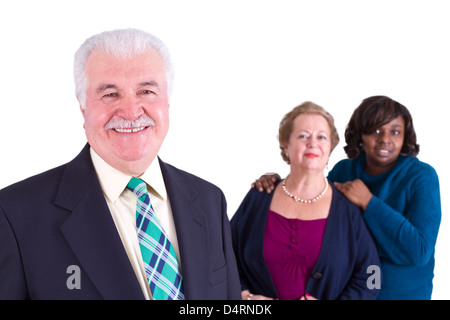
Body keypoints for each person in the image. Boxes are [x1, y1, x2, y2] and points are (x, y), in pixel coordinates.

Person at [0, 28, 241, 300]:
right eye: (110, 94)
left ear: (167, 102)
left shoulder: (209, 200)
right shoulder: (15, 214)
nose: (131, 111)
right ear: (82, 107)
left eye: (146, 91)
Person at [253, 96, 441, 300]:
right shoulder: (344, 171)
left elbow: (420, 252)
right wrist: (276, 184)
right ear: (360, 134)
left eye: (395, 132)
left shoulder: (422, 177)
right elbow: (311, 203)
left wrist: (369, 203)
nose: (385, 139)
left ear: (405, 137)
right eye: (375, 130)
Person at [231, 102, 380, 300]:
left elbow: (373, 277)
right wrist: (244, 296)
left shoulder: (347, 209)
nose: (313, 143)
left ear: (329, 148)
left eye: (321, 137)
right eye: (303, 136)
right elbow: (223, 254)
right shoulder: (259, 196)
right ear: (286, 144)